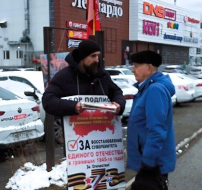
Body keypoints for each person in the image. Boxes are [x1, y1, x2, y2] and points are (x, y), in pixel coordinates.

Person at [127, 50, 176, 190]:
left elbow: (157, 129)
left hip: (152, 162)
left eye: (136, 66)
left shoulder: (155, 90)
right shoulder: (146, 88)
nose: (133, 69)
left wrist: (148, 162)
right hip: (149, 160)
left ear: (148, 67)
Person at [42, 39, 125, 117]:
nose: (97, 60)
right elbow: (48, 101)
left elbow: (116, 92)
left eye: (98, 56)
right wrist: (73, 106)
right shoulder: (64, 76)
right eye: (93, 56)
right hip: (73, 130)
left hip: (102, 129)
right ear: (82, 58)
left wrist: (118, 104)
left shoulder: (102, 75)